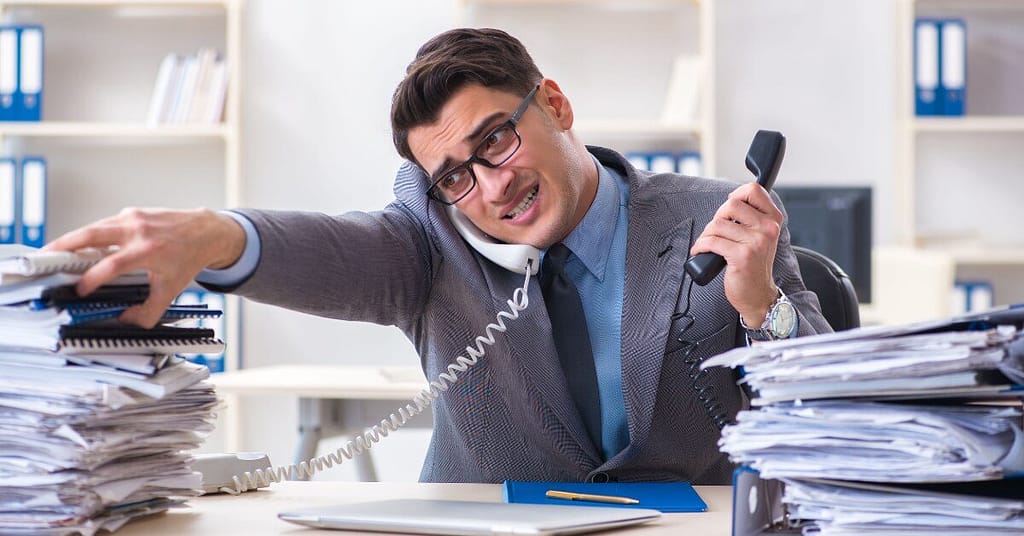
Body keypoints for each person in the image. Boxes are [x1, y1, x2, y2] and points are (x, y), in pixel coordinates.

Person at [46, 28, 831, 484]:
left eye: (497, 139)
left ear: (555, 105)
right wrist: (218, 237)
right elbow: (341, 252)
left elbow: (832, 407)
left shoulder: (712, 217)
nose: (491, 186)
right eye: (455, 175)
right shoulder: (435, 236)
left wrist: (761, 306)